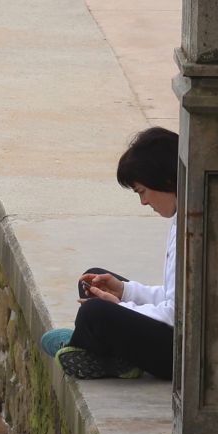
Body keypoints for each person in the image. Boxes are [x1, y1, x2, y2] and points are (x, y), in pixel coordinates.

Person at [39, 126, 178, 379]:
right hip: (171, 331)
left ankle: (84, 347)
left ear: (166, 180)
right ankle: (113, 358)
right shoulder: (181, 221)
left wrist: (120, 306)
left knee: (95, 313)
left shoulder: (195, 233)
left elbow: (178, 316)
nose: (144, 202)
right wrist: (125, 291)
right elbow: (175, 297)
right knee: (93, 278)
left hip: (178, 355)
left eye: (142, 192)